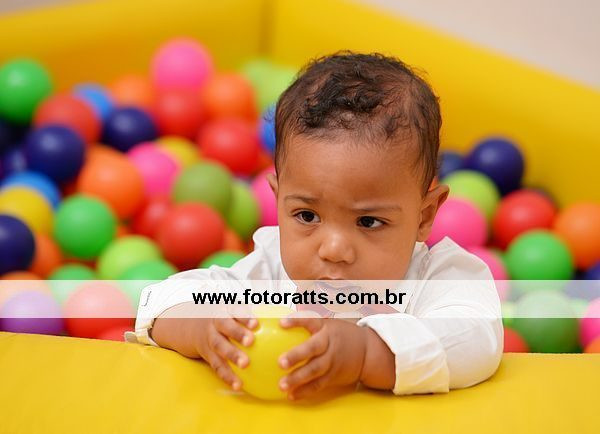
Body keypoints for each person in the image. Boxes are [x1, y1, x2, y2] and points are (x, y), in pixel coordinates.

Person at [126, 52, 503, 400]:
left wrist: (367, 353)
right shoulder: (271, 272)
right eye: (307, 216)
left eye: (369, 221)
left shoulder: (440, 278)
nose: (333, 249)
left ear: (424, 216)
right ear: (278, 202)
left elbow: (477, 339)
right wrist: (204, 329)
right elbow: (161, 301)